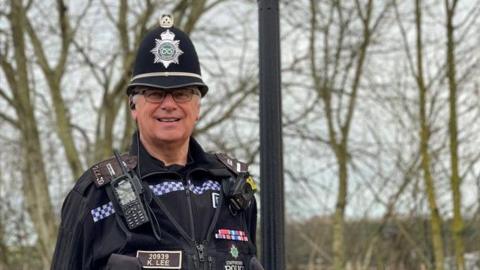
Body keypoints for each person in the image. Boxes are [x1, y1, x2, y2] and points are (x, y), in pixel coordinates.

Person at [51, 15, 263, 270]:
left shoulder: (233, 188)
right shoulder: (96, 195)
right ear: (133, 106)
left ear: (198, 107)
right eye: (154, 94)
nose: (169, 104)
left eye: (182, 93)